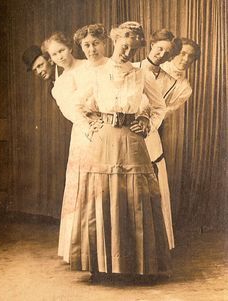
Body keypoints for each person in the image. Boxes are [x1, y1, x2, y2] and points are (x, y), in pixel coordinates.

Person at [68, 22, 171, 282]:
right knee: (101, 198)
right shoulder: (98, 74)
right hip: (103, 141)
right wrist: (90, 126)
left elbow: (160, 107)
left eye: (133, 48)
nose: (127, 52)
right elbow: (76, 104)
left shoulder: (141, 74)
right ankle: (100, 267)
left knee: (135, 200)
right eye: (124, 45)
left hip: (133, 141)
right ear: (114, 40)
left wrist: (147, 122)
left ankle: (137, 267)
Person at [42, 25, 109, 264]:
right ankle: (84, 249)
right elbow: (72, 112)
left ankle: (108, 246)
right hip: (84, 132)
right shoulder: (59, 84)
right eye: (54, 55)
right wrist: (90, 125)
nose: (59, 57)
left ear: (70, 47)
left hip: (106, 124)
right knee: (84, 186)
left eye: (61, 50)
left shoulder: (90, 65)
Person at [134, 29, 192, 250]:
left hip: (150, 134)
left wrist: (148, 125)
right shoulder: (134, 69)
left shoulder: (170, 81)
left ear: (170, 57)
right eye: (158, 48)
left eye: (166, 53)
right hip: (126, 131)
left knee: (153, 183)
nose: (161, 54)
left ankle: (155, 244)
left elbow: (161, 111)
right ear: (151, 45)